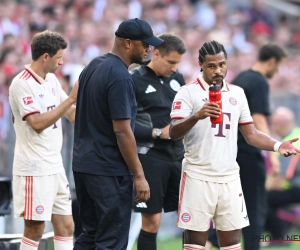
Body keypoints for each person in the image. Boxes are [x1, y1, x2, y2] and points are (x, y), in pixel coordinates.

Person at [168, 40, 299, 250]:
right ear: (200, 64)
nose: (218, 70)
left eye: (222, 64)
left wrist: (277, 145)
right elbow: (173, 132)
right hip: (198, 175)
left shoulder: (237, 93)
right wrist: (196, 116)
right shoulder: (187, 92)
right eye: (211, 66)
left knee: (231, 242)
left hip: (230, 177)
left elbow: (252, 134)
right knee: (194, 243)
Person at [72, 18, 163, 250]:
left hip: (84, 165)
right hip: (108, 169)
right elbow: (122, 131)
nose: (149, 50)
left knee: (89, 236)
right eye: (145, 44)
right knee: (111, 241)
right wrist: (139, 175)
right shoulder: (120, 76)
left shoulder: (93, 65)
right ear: (128, 43)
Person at [207, 43, 287, 250]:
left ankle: (208, 242)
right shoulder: (258, 81)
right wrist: (274, 153)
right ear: (271, 61)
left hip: (229, 152)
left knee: (231, 208)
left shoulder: (241, 78)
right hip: (248, 153)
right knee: (254, 209)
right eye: (277, 66)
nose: (276, 71)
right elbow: (258, 120)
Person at [9, 30, 78, 250]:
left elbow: (72, 114)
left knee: (66, 226)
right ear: (45, 57)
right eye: (59, 57)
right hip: (34, 167)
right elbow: (37, 123)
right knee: (35, 229)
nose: (62, 62)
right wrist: (70, 101)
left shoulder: (51, 81)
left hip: (55, 166)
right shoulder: (21, 84)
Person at [130, 33, 186, 250]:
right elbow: (123, 125)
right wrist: (156, 132)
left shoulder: (178, 79)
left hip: (179, 156)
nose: (174, 68)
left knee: (189, 217)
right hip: (151, 158)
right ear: (157, 53)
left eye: (178, 63)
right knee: (152, 221)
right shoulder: (134, 79)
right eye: (171, 62)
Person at [264, 107, 300, 245]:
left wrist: (265, 189)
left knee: (265, 199)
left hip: (297, 188)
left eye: (273, 123)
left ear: (281, 124)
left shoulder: (291, 142)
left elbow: (282, 177)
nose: (272, 127)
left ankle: (279, 237)